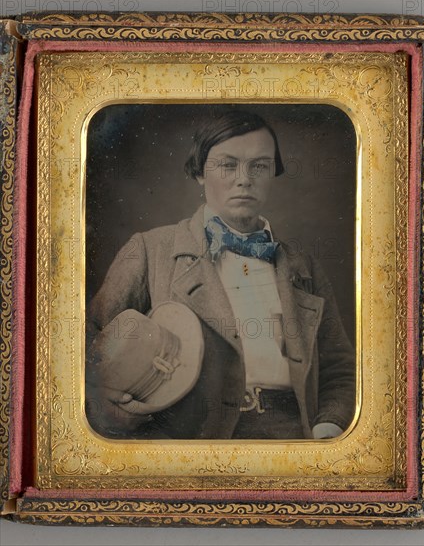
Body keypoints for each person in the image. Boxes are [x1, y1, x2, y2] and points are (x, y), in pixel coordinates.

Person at [86, 108, 356, 440]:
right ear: (200, 172)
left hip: (294, 438)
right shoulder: (150, 250)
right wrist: (112, 411)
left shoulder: (304, 265)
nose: (244, 179)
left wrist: (327, 428)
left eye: (259, 166)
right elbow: (91, 343)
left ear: (273, 173)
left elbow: (340, 369)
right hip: (190, 442)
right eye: (228, 165)